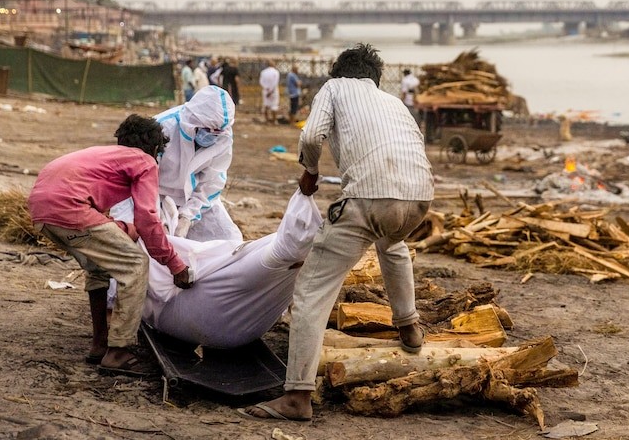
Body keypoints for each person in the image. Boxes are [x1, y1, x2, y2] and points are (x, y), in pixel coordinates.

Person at [241, 43, 434, 422]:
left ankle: (296, 396)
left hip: (369, 197)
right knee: (391, 243)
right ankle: (409, 325)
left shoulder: (334, 88)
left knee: (312, 290)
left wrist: (310, 172)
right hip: (419, 198)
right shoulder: (394, 102)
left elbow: (311, 136)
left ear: (339, 73)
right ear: (375, 79)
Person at [28, 114, 194, 377]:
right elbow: (148, 218)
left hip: (41, 211)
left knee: (98, 267)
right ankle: (118, 352)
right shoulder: (145, 160)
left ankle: (100, 344)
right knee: (135, 265)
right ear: (154, 148)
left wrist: (125, 229)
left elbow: (101, 219)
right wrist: (175, 264)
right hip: (69, 208)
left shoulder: (105, 155)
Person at [135, 188, 322, 349]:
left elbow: (209, 183)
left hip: (209, 318)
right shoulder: (270, 262)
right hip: (229, 327)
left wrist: (184, 221)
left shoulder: (262, 264)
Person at [155, 85, 242, 242]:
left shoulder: (223, 137)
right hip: (157, 197)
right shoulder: (162, 128)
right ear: (194, 120)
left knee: (229, 239)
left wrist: (188, 216)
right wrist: (159, 218)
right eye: (208, 129)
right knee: (159, 243)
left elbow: (212, 183)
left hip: (194, 200)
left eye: (217, 131)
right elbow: (144, 178)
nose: (211, 135)